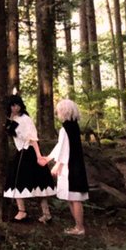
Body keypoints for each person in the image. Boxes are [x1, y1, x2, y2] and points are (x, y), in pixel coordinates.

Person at [2, 94, 55, 222]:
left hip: (30, 152)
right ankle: (22, 212)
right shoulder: (11, 119)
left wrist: (38, 156)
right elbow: (9, 131)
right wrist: (10, 118)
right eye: (13, 105)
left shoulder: (25, 119)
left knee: (38, 182)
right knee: (15, 181)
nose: (15, 107)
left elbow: (33, 139)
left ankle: (46, 214)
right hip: (21, 152)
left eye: (17, 105)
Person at [40, 99, 89, 235]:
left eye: (59, 110)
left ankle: (79, 228)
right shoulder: (73, 126)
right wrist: (49, 158)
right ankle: (77, 227)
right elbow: (61, 146)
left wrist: (57, 165)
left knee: (74, 198)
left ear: (64, 111)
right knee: (71, 197)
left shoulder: (66, 128)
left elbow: (65, 149)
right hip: (74, 165)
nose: (57, 113)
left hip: (71, 167)